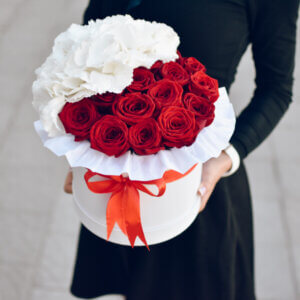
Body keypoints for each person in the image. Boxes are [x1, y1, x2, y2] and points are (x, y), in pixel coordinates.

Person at [65, 1, 299, 299]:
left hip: (191, 186)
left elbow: (276, 90)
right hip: (114, 180)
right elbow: (88, 53)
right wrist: (81, 147)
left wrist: (226, 156)